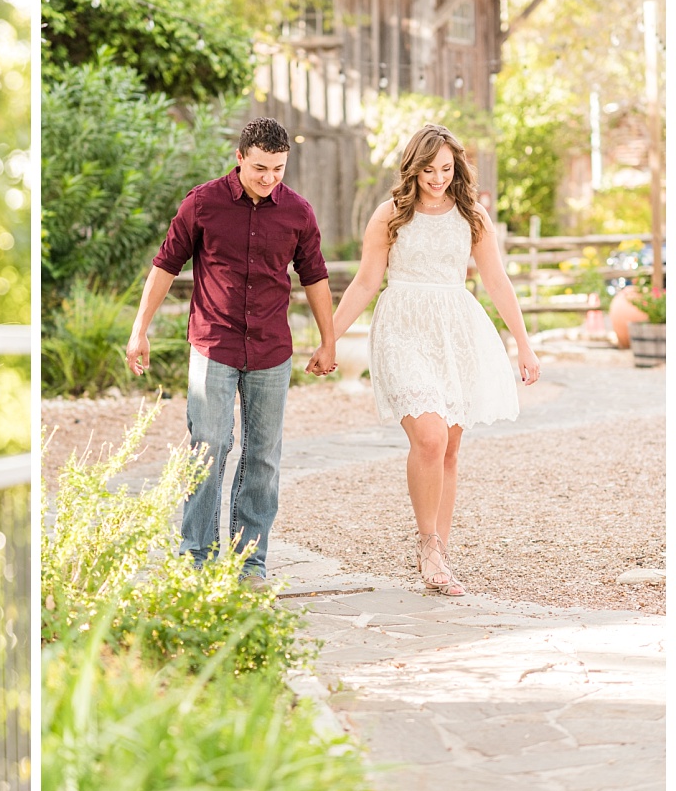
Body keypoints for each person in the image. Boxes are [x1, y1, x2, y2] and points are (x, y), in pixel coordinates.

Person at [326, 124, 539, 596]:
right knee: (430, 435)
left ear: (456, 167)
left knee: (450, 447)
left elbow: (498, 282)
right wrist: (329, 339)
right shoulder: (391, 214)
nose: (438, 178)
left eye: (446, 168)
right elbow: (364, 282)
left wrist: (523, 344)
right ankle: (427, 545)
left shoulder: (472, 216)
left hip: (455, 328)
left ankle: (439, 547)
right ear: (413, 167)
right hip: (403, 324)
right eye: (428, 169)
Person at [126, 117, 336, 583]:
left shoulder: (298, 212)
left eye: (278, 169)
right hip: (214, 344)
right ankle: (196, 558)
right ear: (239, 158)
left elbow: (315, 276)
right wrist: (139, 330)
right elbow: (164, 266)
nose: (269, 178)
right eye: (260, 167)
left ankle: (248, 562)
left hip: (271, 351)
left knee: (263, 455)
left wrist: (328, 339)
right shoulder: (202, 204)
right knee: (210, 445)